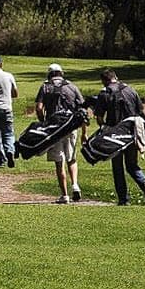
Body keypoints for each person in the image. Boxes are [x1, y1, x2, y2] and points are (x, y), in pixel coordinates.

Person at [93, 68, 145, 206]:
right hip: (132, 132)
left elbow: (99, 118)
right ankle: (144, 182)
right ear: (116, 77)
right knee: (132, 165)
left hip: (114, 135)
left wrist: (103, 129)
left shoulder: (104, 93)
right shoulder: (131, 90)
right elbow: (140, 111)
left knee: (118, 167)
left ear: (104, 81)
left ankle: (123, 199)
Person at [35, 63, 86, 204]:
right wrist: (83, 131)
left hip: (54, 128)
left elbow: (39, 108)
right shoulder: (72, 86)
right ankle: (75, 185)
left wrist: (43, 122)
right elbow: (82, 107)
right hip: (70, 126)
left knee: (59, 162)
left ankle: (64, 195)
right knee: (72, 158)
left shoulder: (45, 87)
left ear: (49, 74)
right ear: (61, 73)